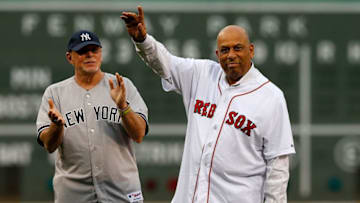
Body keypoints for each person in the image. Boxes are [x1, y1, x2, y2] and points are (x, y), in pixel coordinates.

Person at [121, 6, 296, 203]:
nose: (230, 55)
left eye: (237, 48)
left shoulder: (270, 96)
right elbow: (164, 63)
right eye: (224, 50)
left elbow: (278, 166)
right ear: (217, 53)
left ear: (251, 50)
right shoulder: (202, 74)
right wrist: (142, 40)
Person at [36, 30, 148, 203]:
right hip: (73, 196)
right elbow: (49, 145)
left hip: (122, 193)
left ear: (101, 53)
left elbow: (139, 134)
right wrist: (56, 127)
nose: (89, 55)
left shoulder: (122, 86)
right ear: (69, 57)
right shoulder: (55, 93)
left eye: (94, 50)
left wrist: (122, 106)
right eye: (82, 51)